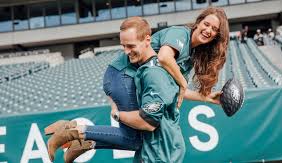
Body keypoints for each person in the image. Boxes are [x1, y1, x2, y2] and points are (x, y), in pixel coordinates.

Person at [46, 6, 230, 162]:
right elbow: (164, 57)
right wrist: (183, 82)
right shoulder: (180, 33)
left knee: (135, 141)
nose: (209, 30)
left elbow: (171, 89)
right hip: (122, 75)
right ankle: (75, 132)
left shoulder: (190, 55)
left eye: (214, 29)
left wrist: (205, 97)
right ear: (198, 23)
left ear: (216, 36)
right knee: (137, 134)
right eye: (207, 24)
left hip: (131, 77)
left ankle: (86, 141)